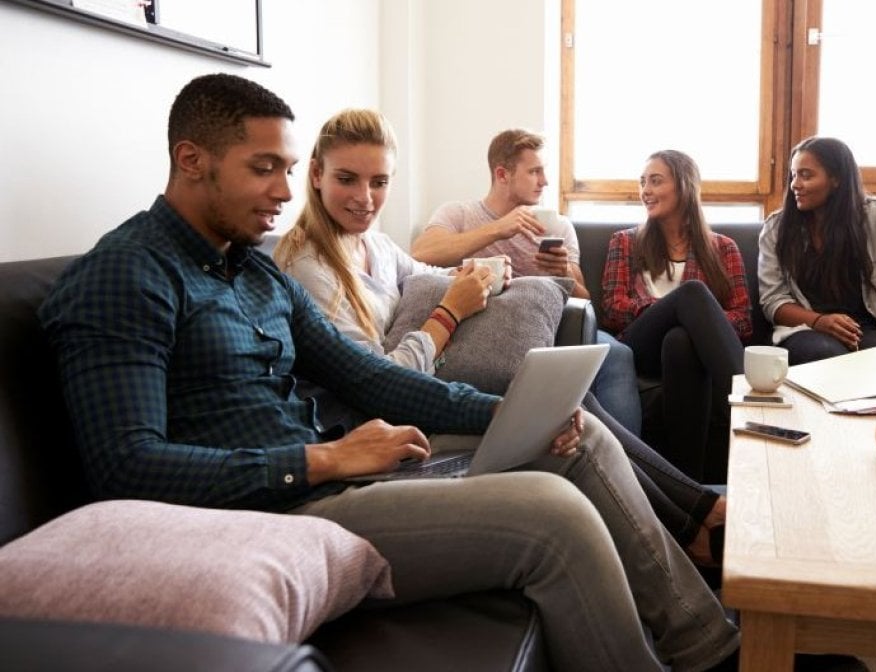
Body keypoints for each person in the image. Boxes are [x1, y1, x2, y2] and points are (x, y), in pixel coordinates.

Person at [38, 73, 739, 672]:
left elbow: (368, 379)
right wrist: (318, 459)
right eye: (264, 168)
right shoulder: (126, 277)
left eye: (288, 167)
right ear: (191, 160)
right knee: (550, 516)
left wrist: (508, 414)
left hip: (339, 471)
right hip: (277, 508)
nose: (286, 190)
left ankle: (712, 647)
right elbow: (125, 469)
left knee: (574, 434)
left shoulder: (250, 269)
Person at [274, 108, 727, 567]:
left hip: (425, 395)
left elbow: (433, 274)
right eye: (348, 179)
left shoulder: (376, 245)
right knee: (572, 428)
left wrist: (486, 276)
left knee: (574, 408)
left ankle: (698, 513)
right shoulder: (310, 268)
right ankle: (694, 526)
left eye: (380, 182)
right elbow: (377, 384)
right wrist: (451, 310)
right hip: (388, 427)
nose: (365, 198)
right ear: (315, 174)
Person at [411, 129, 642, 437]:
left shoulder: (557, 225)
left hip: (552, 326)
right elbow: (422, 252)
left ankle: (620, 462)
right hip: (480, 328)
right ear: (502, 174)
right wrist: (498, 229)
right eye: (535, 171)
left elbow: (585, 300)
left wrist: (564, 271)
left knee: (616, 354)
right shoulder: (458, 213)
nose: (544, 181)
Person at [601, 149, 751, 484]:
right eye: (642, 182)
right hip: (640, 345)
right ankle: (751, 402)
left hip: (682, 351)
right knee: (693, 294)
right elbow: (613, 308)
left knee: (681, 341)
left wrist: (691, 323)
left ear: (684, 186)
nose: (646, 191)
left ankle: (691, 491)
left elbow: (743, 320)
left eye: (656, 181)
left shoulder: (723, 248)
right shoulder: (625, 242)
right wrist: (669, 310)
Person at [758, 136, 876, 365]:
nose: (795, 184)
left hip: (868, 328)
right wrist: (819, 321)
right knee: (827, 356)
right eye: (794, 175)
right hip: (805, 329)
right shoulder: (776, 228)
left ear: (836, 179)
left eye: (806, 175)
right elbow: (772, 302)